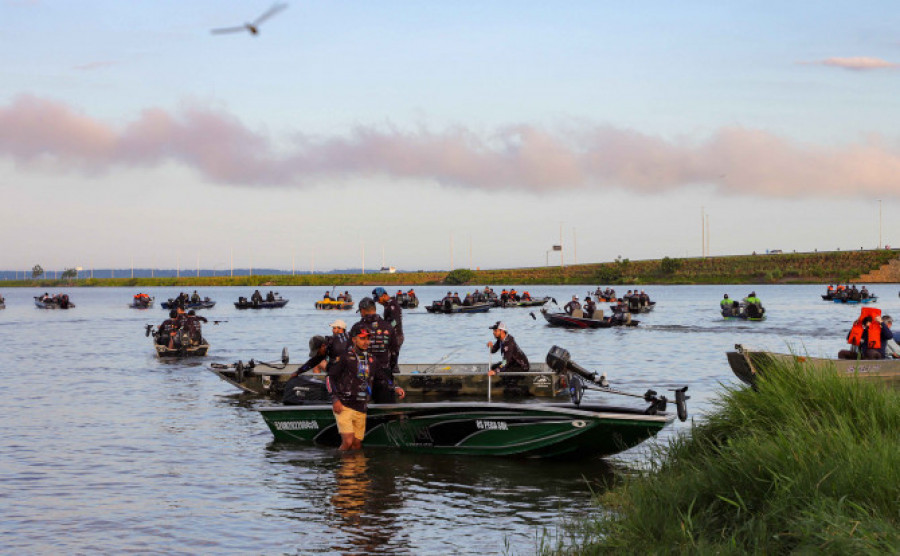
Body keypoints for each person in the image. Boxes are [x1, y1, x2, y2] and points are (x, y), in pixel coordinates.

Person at [327, 327, 405, 451]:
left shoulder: (372, 359)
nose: (366, 341)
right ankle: (341, 467)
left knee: (357, 444)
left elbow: (382, 376)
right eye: (362, 338)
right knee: (348, 441)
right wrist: (335, 399)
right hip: (344, 405)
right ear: (354, 340)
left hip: (361, 406)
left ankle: (357, 468)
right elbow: (330, 378)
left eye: (368, 338)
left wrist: (395, 387)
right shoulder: (345, 357)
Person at [351, 297, 400, 403]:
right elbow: (395, 351)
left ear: (362, 311)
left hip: (362, 372)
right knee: (386, 407)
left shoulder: (357, 327)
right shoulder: (388, 326)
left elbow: (349, 351)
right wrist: (391, 369)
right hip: (384, 372)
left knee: (360, 407)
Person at [373, 286, 404, 353]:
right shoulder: (387, 305)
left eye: (378, 299)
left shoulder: (393, 304)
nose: (378, 302)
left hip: (396, 336)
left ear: (384, 295)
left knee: (390, 359)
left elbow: (396, 321)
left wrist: (386, 328)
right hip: (390, 335)